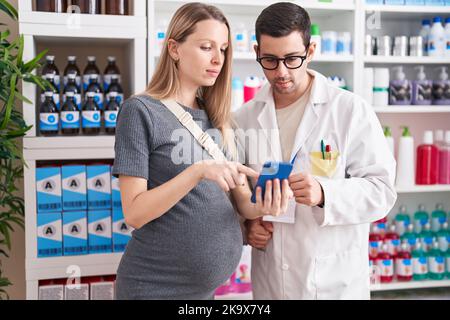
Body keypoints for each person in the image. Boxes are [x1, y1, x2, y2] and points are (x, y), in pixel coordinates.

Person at [112, 2, 292, 300]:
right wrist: (197, 172)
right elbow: (135, 212)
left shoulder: (217, 117)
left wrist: (267, 201)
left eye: (222, 49)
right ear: (174, 48)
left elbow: (244, 205)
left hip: (203, 293)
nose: (217, 59)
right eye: (206, 47)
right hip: (152, 287)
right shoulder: (140, 111)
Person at [233, 2, 397, 299]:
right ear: (256, 52)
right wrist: (248, 226)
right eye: (270, 60)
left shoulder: (349, 110)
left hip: (334, 281)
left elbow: (382, 190)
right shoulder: (243, 118)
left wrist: (325, 193)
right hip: (272, 281)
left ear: (311, 51)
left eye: (292, 59)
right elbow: (238, 192)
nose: (281, 72)